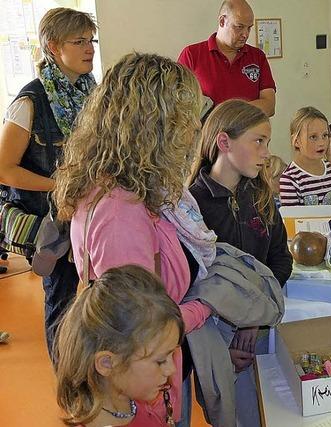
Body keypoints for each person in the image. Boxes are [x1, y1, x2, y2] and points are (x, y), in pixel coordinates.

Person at [54, 52, 211, 425]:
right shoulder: (120, 213)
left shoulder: (128, 188)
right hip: (145, 399)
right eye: (185, 118)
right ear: (155, 126)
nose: (194, 128)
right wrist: (210, 305)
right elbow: (137, 326)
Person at [0, 7, 97, 357]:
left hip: (86, 216)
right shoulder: (29, 102)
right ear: (53, 48)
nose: (89, 48)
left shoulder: (92, 94)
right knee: (62, 300)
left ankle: (82, 371)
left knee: (88, 303)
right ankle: (68, 383)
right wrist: (60, 186)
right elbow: (5, 170)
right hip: (50, 225)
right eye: (79, 41)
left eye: (91, 40)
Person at [189, 99, 292, 426]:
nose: (266, 152)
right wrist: (220, 348)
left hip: (257, 328)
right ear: (224, 142)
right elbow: (194, 285)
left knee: (268, 412)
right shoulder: (193, 205)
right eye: (258, 141)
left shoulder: (261, 197)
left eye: (267, 142)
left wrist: (253, 318)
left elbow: (280, 260)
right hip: (215, 333)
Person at [55, 265, 184, 427]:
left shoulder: (130, 399)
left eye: (171, 354)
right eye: (160, 361)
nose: (171, 369)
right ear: (107, 363)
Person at [178, 0, 276, 116]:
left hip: (250, 133)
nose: (245, 34)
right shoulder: (191, 54)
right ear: (222, 21)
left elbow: (269, 106)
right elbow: (179, 106)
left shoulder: (258, 56)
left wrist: (229, 113)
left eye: (249, 28)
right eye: (239, 27)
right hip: (206, 133)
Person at [279, 107, 331, 206]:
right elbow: (293, 220)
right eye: (313, 137)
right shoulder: (290, 179)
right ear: (296, 141)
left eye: (325, 135)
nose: (321, 143)